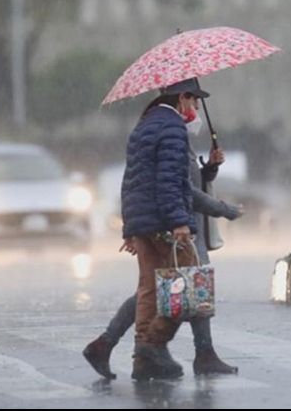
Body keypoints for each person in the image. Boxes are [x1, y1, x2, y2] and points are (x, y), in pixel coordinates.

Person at [84, 78, 243, 380]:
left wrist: (131, 227)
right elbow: (172, 183)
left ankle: (127, 353)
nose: (196, 108)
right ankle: (155, 349)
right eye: (194, 101)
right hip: (168, 222)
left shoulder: (146, 125)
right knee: (190, 287)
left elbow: (133, 181)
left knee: (149, 293)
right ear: (182, 98)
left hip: (148, 222)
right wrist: (183, 221)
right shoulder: (171, 128)